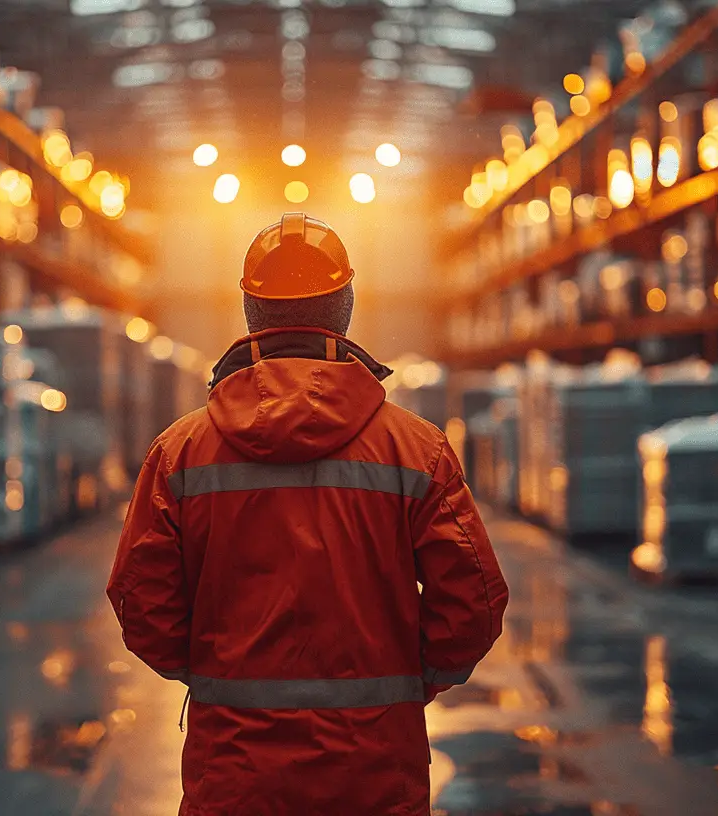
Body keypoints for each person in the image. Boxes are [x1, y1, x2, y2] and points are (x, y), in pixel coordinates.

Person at [107, 212, 509, 815]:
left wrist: (212, 673)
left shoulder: (181, 453)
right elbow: (473, 599)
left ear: (249, 309)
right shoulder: (416, 449)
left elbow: (141, 601)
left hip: (234, 773)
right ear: (346, 302)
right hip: (374, 768)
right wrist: (410, 680)